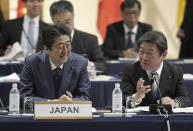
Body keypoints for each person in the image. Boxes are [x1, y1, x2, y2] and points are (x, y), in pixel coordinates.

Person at [19, 24, 90, 102]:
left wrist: (71, 102)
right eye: (60, 46)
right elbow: (25, 96)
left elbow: (84, 97)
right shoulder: (32, 62)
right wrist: (50, 103)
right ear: (46, 49)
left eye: (68, 45)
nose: (65, 51)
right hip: (42, 113)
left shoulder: (80, 63)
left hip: (69, 112)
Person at [120, 30, 191, 108]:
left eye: (149, 53)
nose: (144, 57)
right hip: (140, 119)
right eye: (141, 52)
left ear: (164, 54)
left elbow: (185, 98)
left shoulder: (175, 71)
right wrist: (136, 97)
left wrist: (174, 102)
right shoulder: (130, 70)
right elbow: (121, 99)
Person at [37, 0, 107, 73]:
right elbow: (38, 62)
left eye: (67, 22)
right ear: (52, 21)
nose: (64, 27)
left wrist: (90, 65)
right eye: (58, 23)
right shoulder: (44, 38)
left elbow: (103, 65)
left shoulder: (90, 40)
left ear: (73, 17)